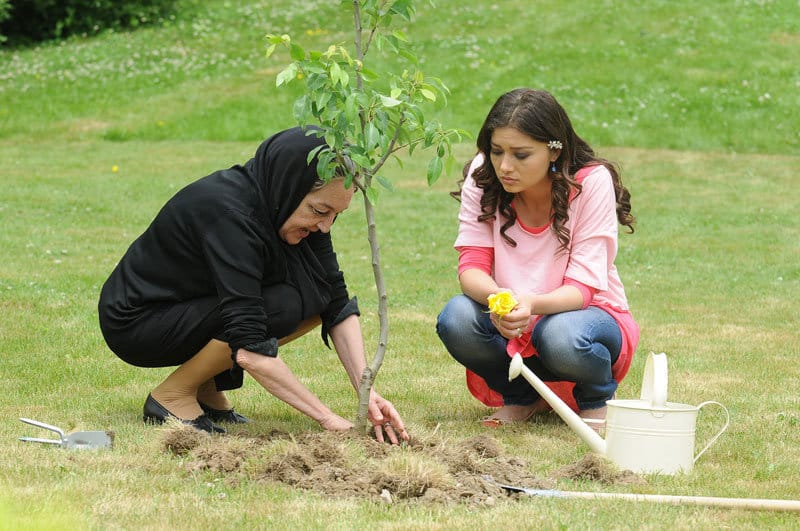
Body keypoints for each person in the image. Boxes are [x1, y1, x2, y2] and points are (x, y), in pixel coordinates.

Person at [98, 126, 408, 443]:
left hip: (191, 305)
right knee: (282, 306)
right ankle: (174, 395)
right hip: (139, 322)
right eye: (319, 211)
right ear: (289, 187)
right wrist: (328, 419)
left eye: (335, 214)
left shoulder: (290, 210)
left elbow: (335, 302)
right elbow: (249, 344)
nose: (326, 226)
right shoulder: (229, 212)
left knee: (313, 296)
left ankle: (205, 387)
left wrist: (367, 393)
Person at [436, 88, 639, 430]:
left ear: (554, 149)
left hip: (584, 317)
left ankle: (596, 398)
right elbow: (471, 266)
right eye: (496, 150)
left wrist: (530, 303)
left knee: (559, 334)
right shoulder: (483, 175)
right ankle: (520, 396)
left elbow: (583, 289)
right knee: (456, 317)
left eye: (521, 155)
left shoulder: (591, 183)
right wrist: (498, 301)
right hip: (515, 312)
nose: (504, 166)